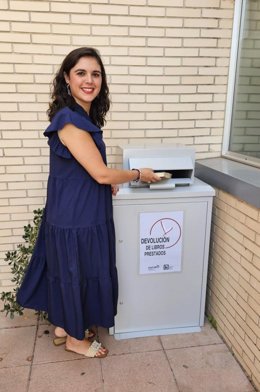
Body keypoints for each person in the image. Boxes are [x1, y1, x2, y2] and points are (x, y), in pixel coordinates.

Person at [16, 47, 161, 358]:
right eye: (81, 73)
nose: (89, 80)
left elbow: (81, 169)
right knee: (75, 273)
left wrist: (102, 185)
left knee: (71, 271)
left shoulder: (80, 116)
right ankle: (74, 339)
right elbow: (99, 172)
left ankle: (62, 328)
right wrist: (138, 174)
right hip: (76, 216)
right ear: (66, 79)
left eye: (95, 74)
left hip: (77, 208)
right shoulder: (69, 120)